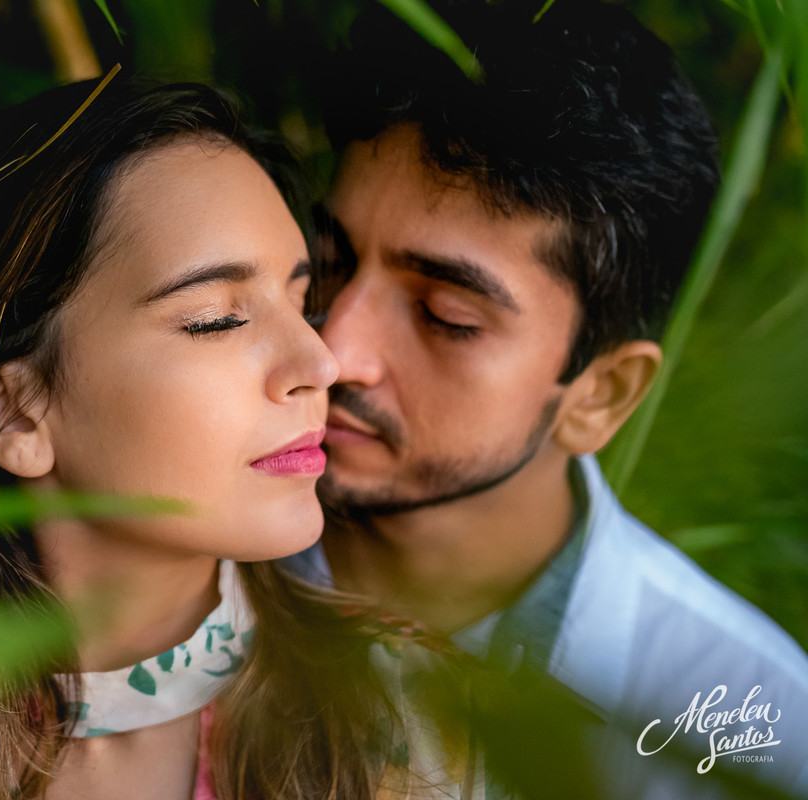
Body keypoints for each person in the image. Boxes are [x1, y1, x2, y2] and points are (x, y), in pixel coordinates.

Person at [288, 1, 808, 797]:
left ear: (602, 394)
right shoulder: (157, 563)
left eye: (445, 317)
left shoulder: (747, 723)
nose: (333, 349)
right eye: (326, 263)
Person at [0, 77, 392, 800]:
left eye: (301, 301)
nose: (322, 364)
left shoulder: (397, 722)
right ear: (10, 411)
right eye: (217, 319)